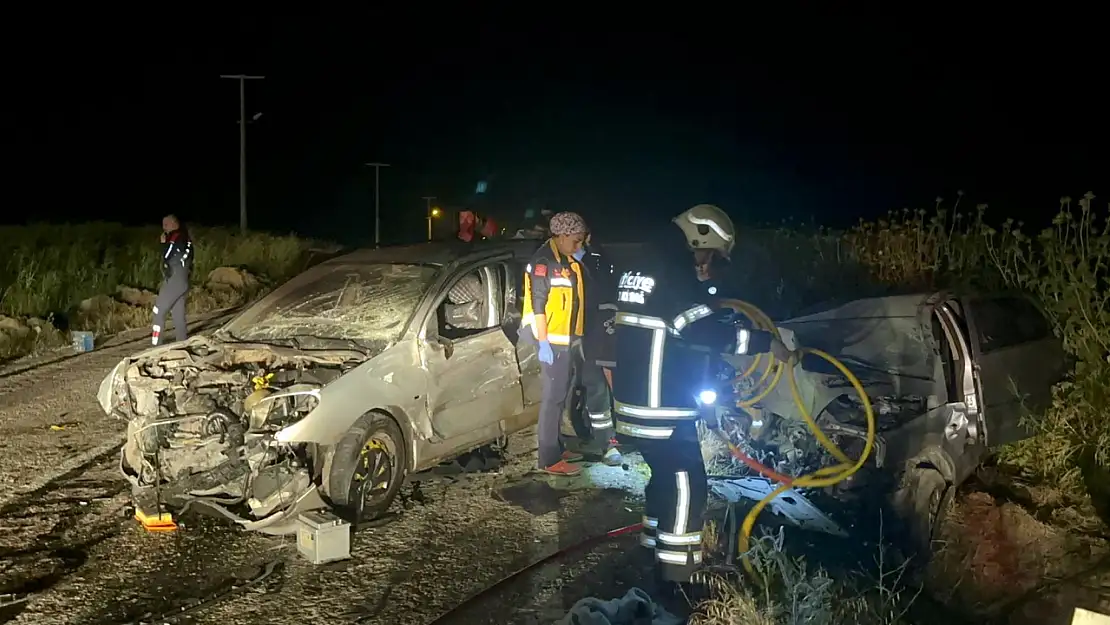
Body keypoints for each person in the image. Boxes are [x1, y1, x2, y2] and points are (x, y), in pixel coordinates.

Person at [603, 204, 794, 590]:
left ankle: (651, 550)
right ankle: (677, 580)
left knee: (663, 479)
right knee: (687, 484)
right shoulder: (672, 272)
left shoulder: (641, 266)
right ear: (698, 237)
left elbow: (674, 324)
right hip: (661, 405)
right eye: (709, 254)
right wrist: (765, 342)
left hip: (634, 400)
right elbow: (700, 332)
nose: (707, 264)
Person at [519, 211, 589, 476]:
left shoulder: (565, 260)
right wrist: (544, 342)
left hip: (565, 339)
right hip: (551, 340)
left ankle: (557, 447)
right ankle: (549, 458)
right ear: (562, 236)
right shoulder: (544, 262)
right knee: (553, 398)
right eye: (577, 240)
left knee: (560, 395)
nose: (579, 245)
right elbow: (538, 303)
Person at [575, 233, 623, 466]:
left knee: (604, 387)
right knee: (595, 389)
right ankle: (607, 442)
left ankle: (614, 440)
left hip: (604, 329)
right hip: (587, 334)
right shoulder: (570, 263)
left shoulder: (599, 261)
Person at [152, 214, 194, 346]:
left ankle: (155, 345)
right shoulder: (186, 238)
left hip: (174, 281)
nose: (163, 227)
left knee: (158, 312)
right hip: (183, 282)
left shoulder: (175, 237)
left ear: (174, 224)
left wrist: (163, 243)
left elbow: (167, 254)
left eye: (166, 224)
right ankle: (182, 344)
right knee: (178, 314)